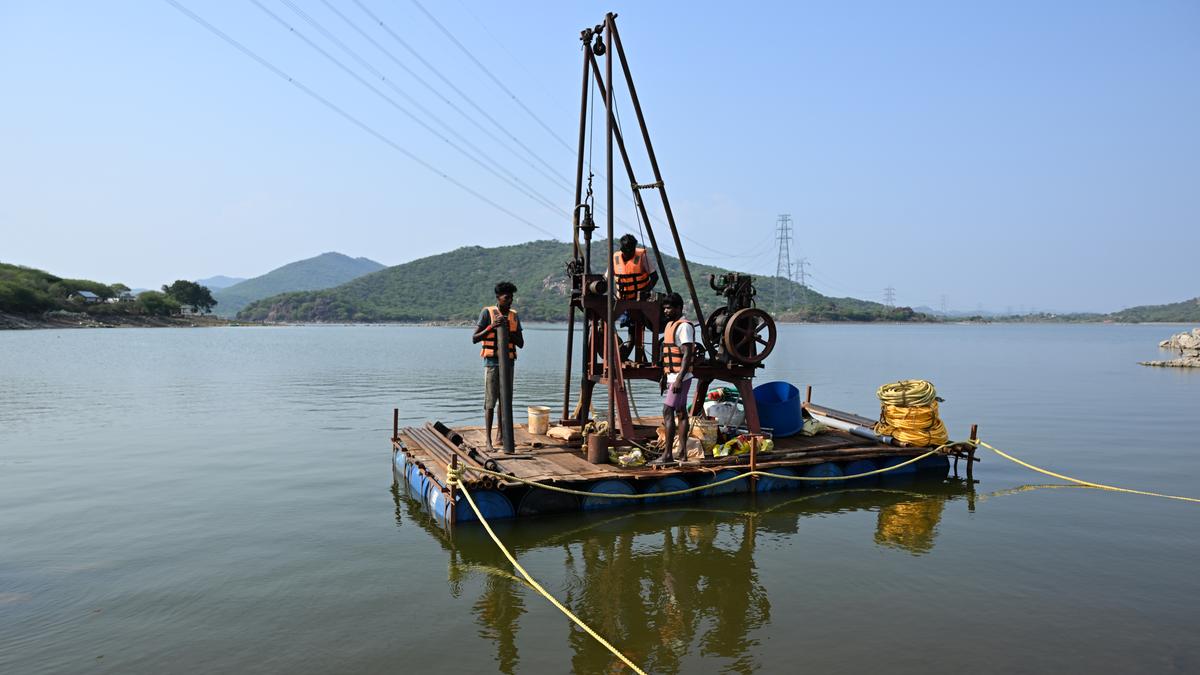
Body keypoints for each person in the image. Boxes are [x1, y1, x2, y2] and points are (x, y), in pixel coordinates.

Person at [472, 281, 524, 452]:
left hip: (508, 364)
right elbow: (475, 338)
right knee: (490, 401)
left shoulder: (514, 316)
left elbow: (521, 343)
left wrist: (509, 330)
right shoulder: (487, 313)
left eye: (511, 298)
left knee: (505, 400)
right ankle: (488, 441)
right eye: (506, 298)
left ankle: (501, 436)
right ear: (498, 298)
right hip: (493, 364)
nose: (510, 301)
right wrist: (491, 327)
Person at [651, 292, 698, 465]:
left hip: (682, 377)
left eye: (669, 308)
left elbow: (687, 354)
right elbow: (668, 354)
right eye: (664, 308)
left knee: (667, 410)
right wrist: (665, 376)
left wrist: (678, 379)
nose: (665, 311)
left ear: (679, 308)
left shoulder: (684, 326)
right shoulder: (670, 325)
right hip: (672, 375)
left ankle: (668, 455)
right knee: (680, 412)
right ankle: (683, 453)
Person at [605, 234, 659, 362]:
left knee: (635, 333)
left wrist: (644, 292)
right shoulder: (616, 258)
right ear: (623, 249)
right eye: (629, 250)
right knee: (629, 331)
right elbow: (606, 279)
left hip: (640, 302)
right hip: (623, 302)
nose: (631, 252)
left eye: (633, 249)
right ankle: (619, 357)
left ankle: (623, 358)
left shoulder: (642, 256)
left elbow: (655, 277)